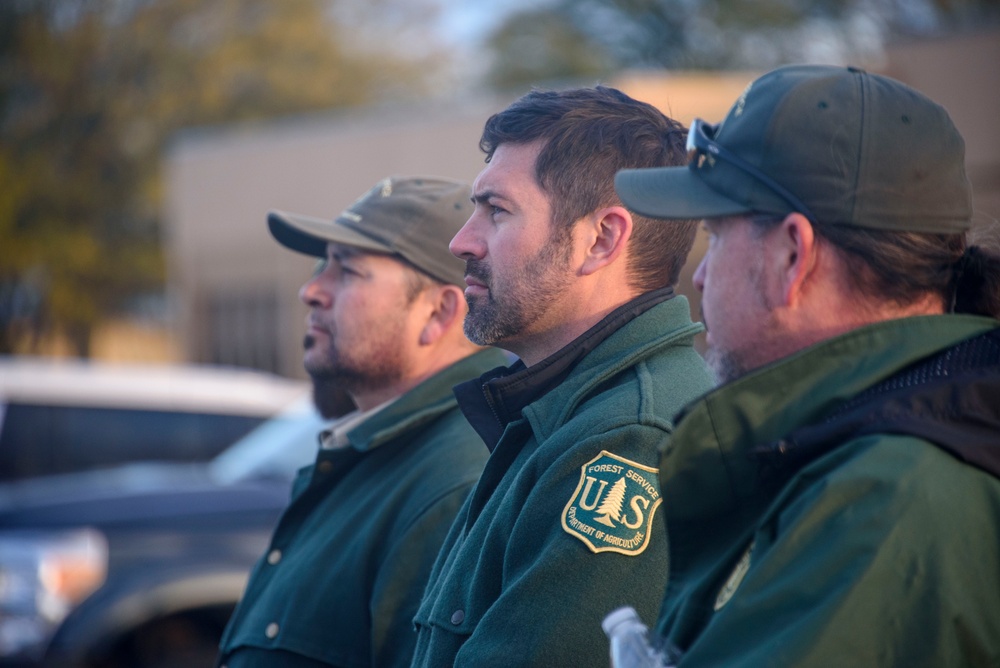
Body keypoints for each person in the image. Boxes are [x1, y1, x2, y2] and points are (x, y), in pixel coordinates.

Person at [614, 64, 1000, 666]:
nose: (702, 274)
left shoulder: (880, 500)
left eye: (715, 236)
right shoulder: (902, 437)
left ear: (793, 255)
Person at [410, 86, 714, 666]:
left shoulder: (629, 439)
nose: (461, 241)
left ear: (601, 239)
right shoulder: (564, 412)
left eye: (496, 210)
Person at [216, 176, 509, 668]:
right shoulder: (376, 455)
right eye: (321, 265)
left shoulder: (455, 482)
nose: (311, 290)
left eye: (347, 272)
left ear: (438, 313)